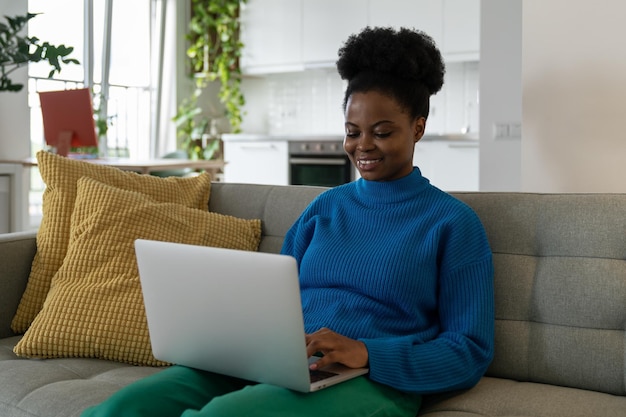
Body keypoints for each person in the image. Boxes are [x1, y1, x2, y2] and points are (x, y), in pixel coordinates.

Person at [82, 26, 494, 417]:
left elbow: (469, 349)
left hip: (372, 378)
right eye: (352, 131)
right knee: (128, 406)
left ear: (418, 128)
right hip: (283, 362)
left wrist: (367, 352)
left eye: (382, 132)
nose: (363, 146)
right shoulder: (322, 210)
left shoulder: (452, 224)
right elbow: (275, 306)